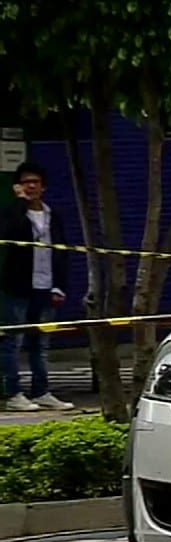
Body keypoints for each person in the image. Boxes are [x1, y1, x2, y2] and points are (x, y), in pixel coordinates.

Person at [0, 161, 74, 412]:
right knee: (13, 341)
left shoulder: (54, 216)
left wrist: (59, 286)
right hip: (18, 287)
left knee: (40, 344)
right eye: (25, 182)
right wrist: (20, 203)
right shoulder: (13, 212)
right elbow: (9, 234)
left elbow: (62, 252)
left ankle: (42, 391)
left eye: (35, 182)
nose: (31, 186)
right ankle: (13, 394)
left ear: (43, 187)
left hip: (46, 286)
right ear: (18, 187)